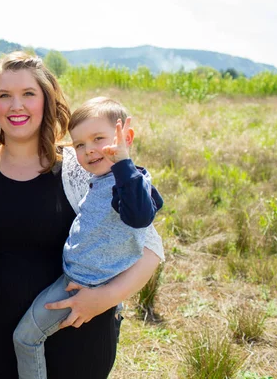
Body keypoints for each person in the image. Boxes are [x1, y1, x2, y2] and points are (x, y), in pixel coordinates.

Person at [0, 52, 165, 379]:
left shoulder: (82, 167)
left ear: (46, 101)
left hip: (76, 338)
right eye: (4, 95)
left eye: (28, 94)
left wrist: (103, 299)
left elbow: (149, 247)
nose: (16, 105)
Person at [12, 97, 164, 379]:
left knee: (25, 338)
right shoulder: (101, 179)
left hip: (84, 286)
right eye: (80, 145)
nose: (89, 150)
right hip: (72, 276)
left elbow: (140, 217)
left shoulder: (128, 182)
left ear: (125, 137)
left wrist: (123, 163)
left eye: (98, 139)